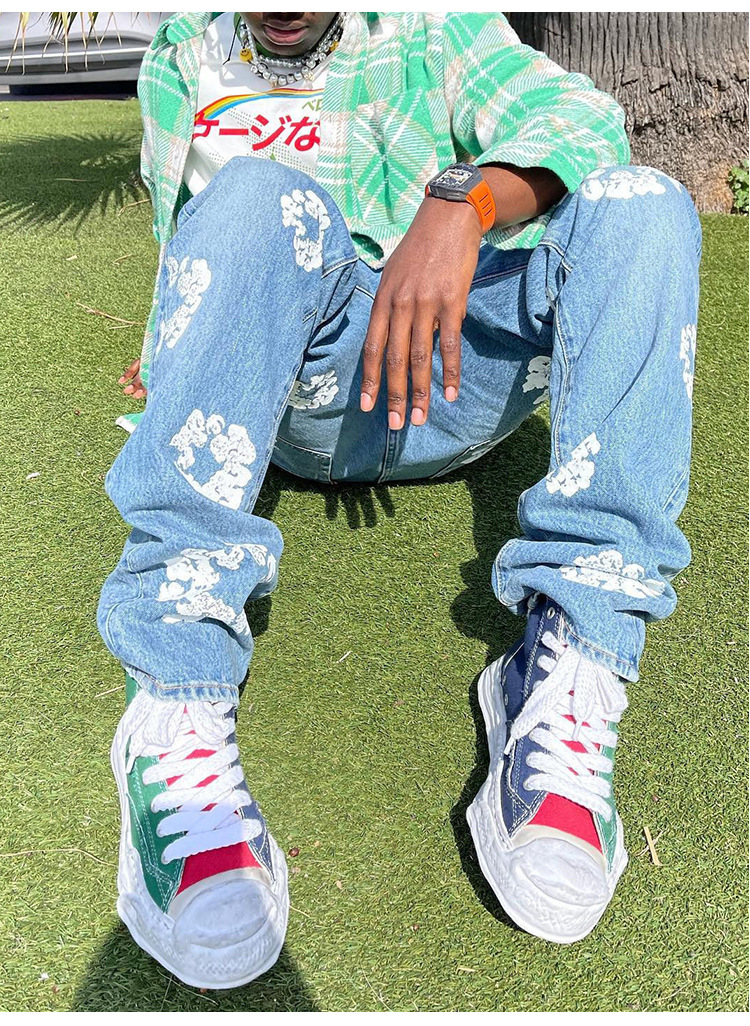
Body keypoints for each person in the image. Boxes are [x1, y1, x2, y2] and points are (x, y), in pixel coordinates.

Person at [101, 11, 701, 988]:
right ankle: (172, 704)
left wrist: (462, 202)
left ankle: (569, 665)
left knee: (643, 203)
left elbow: (582, 122)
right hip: (299, 394)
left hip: (459, 373)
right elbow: (187, 242)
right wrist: (178, 348)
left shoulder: (430, 29)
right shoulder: (181, 58)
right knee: (253, 193)